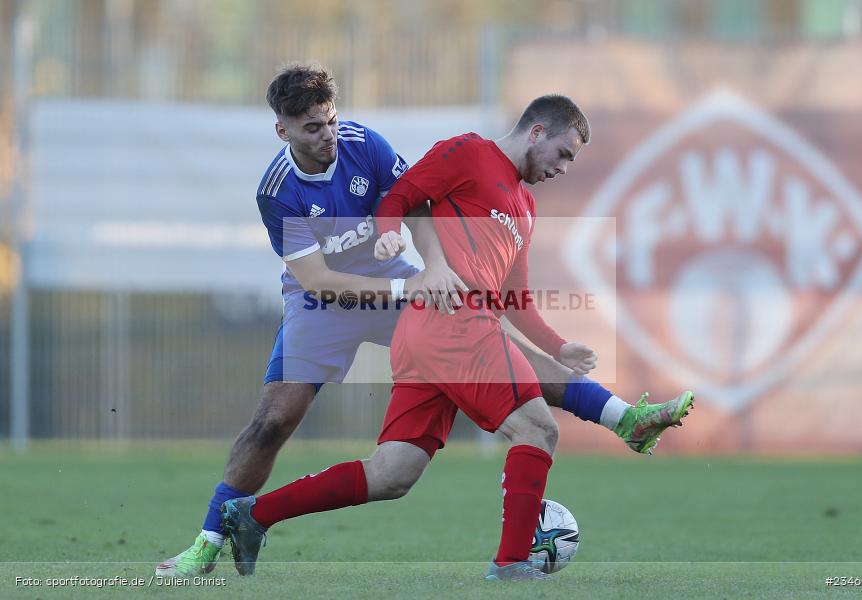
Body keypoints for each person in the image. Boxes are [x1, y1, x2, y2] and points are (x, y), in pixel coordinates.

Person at [220, 94, 693, 581]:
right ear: (536, 133)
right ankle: (512, 563)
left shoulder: (525, 206)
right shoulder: (468, 152)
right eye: (564, 154)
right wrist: (388, 233)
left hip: (440, 330)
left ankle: (254, 514)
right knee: (537, 429)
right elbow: (401, 194)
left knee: (392, 473)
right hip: (452, 320)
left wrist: (559, 346)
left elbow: (517, 299)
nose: (564, 168)